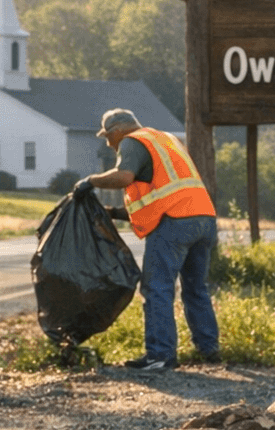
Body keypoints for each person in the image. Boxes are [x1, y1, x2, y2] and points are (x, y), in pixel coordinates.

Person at [74, 109, 219, 371]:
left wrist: (89, 182)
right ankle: (209, 350)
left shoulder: (133, 141)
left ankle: (160, 355)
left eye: (108, 136)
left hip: (175, 222)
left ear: (118, 130)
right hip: (203, 219)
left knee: (157, 288)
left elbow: (123, 177)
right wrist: (114, 214)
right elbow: (161, 195)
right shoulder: (164, 139)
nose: (108, 143)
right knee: (196, 288)